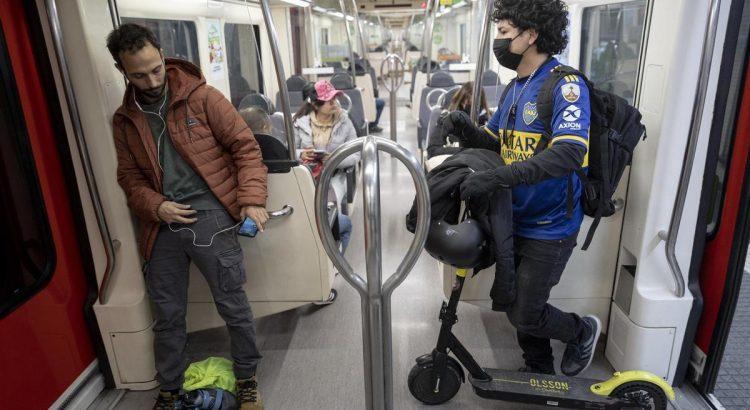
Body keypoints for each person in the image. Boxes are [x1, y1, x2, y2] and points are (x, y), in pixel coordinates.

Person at [106, 24, 267, 410]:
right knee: (167, 313)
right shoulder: (125, 119)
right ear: (122, 70)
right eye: (139, 74)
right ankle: (170, 387)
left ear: (162, 54)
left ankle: (246, 379)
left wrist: (252, 199)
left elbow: (246, 148)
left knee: (232, 304)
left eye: (156, 68)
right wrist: (155, 206)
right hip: (162, 219)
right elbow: (128, 177)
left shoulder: (203, 98)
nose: (151, 80)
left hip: (210, 212)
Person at [438, 0, 601, 378]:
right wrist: (465, 128)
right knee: (518, 300)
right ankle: (539, 366)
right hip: (514, 216)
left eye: (504, 33)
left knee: (525, 310)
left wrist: (498, 179)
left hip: (552, 223)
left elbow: (569, 153)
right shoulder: (515, 87)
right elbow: (497, 141)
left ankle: (581, 331)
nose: (499, 42)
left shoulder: (566, 85)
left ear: (531, 35)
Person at [292, 80, 357, 252]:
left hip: (335, 175)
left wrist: (335, 159)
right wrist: (301, 154)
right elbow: (290, 150)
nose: (334, 103)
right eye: (329, 100)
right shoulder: (300, 123)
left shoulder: (345, 122)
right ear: (315, 105)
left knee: (328, 212)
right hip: (307, 174)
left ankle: (331, 255)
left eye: (335, 98)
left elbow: (356, 154)